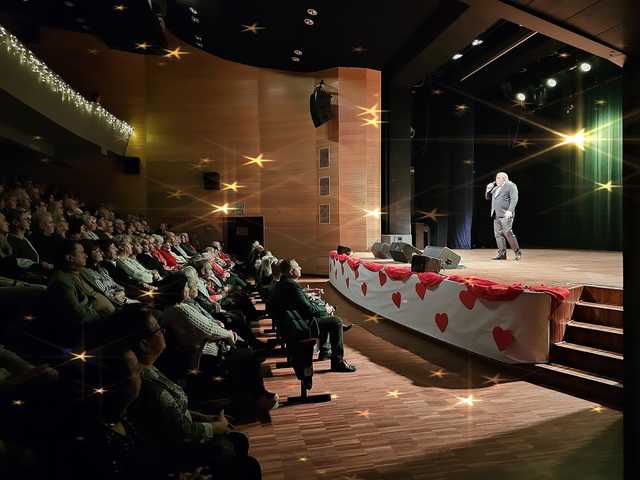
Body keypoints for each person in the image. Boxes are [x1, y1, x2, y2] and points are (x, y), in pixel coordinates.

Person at [270, 259, 356, 372]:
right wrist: (325, 308)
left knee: (327, 317)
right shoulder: (291, 286)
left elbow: (302, 306)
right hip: (299, 327)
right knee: (336, 322)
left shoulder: (284, 283)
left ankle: (325, 351)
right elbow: (309, 310)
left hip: (291, 323)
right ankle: (337, 362)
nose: (300, 268)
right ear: (291, 271)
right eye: (297, 266)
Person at [485, 172, 522, 261]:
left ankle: (517, 252)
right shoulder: (496, 188)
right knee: (498, 235)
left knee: (507, 232)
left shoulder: (511, 185)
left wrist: (510, 210)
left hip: (506, 214)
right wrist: (488, 190)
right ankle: (502, 254)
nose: (496, 180)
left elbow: (514, 199)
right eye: (496, 178)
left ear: (504, 179)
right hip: (496, 215)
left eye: (498, 178)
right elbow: (488, 198)